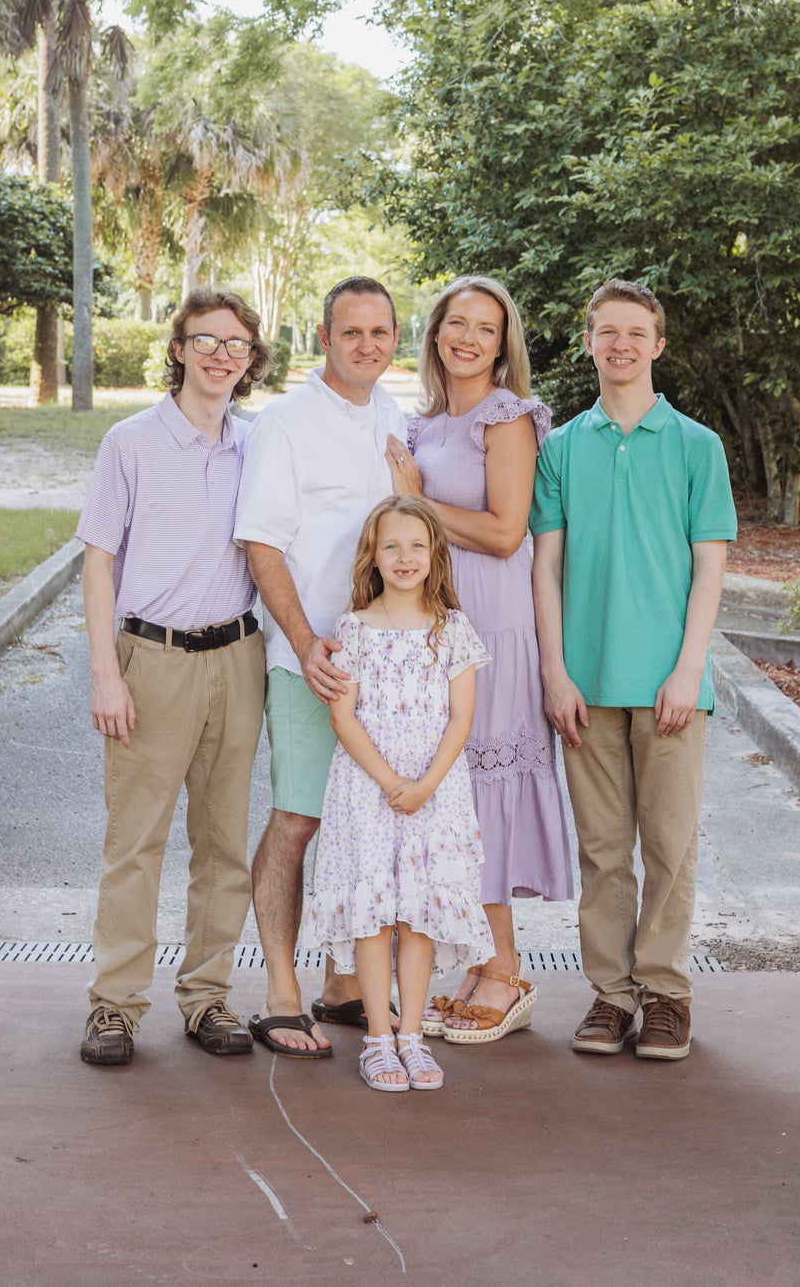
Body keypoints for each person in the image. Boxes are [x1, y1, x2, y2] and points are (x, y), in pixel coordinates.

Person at [530, 278, 737, 1062]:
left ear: (658, 345)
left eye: (635, 333)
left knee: (670, 847)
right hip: (585, 684)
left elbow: (709, 568)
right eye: (607, 332)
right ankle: (612, 995)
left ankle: (666, 995)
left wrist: (688, 670)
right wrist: (555, 671)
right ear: (588, 342)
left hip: (669, 686)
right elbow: (546, 567)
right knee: (602, 850)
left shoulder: (697, 446)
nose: (621, 345)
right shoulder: (560, 448)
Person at [76, 288, 271, 1066]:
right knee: (136, 843)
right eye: (206, 341)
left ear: (252, 359)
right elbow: (98, 564)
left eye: (236, 344)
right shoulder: (130, 442)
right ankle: (115, 1005)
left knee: (224, 843)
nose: (222, 355)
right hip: (151, 660)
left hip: (238, 657)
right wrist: (106, 675)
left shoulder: (258, 447)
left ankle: (208, 997)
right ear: (180, 349)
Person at [385, 276, 572, 1043]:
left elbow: (504, 532)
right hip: (436, 630)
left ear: (503, 346)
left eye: (485, 329)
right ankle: (482, 961)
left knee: (482, 795)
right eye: (456, 323)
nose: (467, 337)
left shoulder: (507, 417)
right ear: (435, 333)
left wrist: (417, 503)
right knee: (450, 798)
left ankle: (505, 967)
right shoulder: (425, 424)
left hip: (493, 627)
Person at [234, 277, 406, 1057]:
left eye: (380, 331)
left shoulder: (392, 417)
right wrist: (305, 643)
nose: (367, 345)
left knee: (363, 822)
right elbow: (262, 545)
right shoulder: (285, 424)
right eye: (351, 332)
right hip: (312, 661)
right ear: (323, 337)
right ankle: (280, 992)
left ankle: (342, 986)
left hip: (387, 666)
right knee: (300, 818)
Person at [303, 496, 494, 1091]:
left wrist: (426, 785)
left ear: (435, 554)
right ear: (374, 556)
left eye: (417, 545)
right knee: (374, 917)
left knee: (418, 917)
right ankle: (379, 1041)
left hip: (435, 791)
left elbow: (462, 718)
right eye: (392, 546)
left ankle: (412, 1036)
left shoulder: (452, 628)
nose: (405, 557)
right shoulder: (354, 629)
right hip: (368, 792)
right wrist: (391, 783)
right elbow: (343, 717)